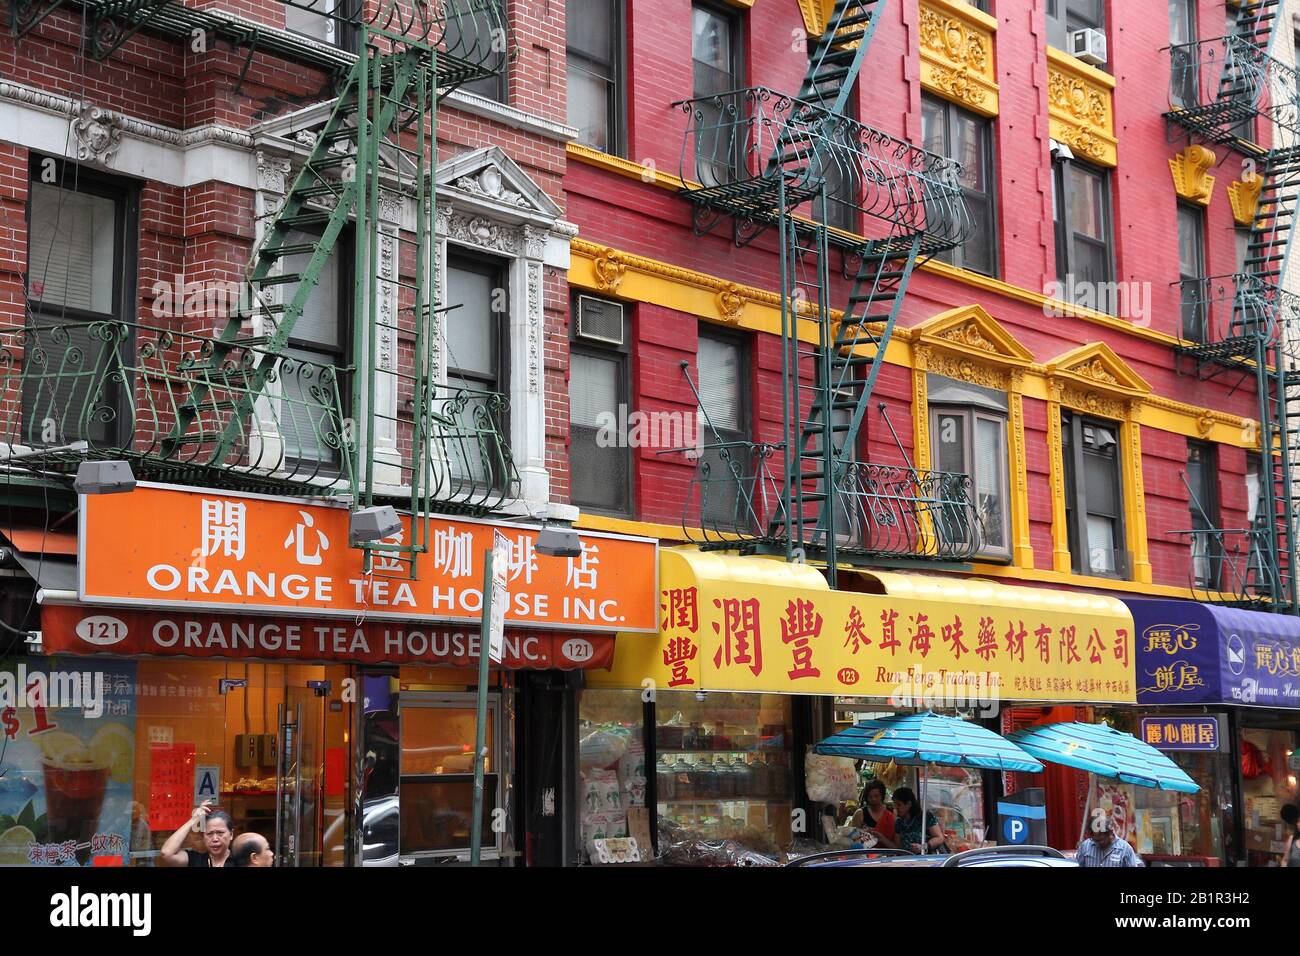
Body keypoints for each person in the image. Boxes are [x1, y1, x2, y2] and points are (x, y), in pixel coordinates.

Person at [158, 801, 234, 867]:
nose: (215, 839)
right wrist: (193, 819)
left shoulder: (239, 860)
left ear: (231, 834)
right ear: (203, 836)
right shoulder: (196, 860)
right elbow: (166, 853)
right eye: (209, 834)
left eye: (220, 833)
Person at [1076, 812, 1144, 867]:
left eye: (1101, 840)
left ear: (1110, 833)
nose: (1098, 843)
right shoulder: (1085, 846)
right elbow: (1078, 864)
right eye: (1095, 840)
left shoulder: (1125, 849)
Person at [892, 786, 945, 854]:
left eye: (899, 804)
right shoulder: (899, 823)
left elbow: (939, 838)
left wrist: (923, 847)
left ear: (908, 804)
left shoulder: (925, 817)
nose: (896, 807)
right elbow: (898, 847)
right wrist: (883, 838)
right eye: (894, 804)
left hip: (925, 858)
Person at [850, 779, 898, 849]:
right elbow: (853, 841)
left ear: (882, 795)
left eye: (876, 796)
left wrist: (883, 839)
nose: (873, 799)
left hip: (889, 855)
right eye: (870, 797)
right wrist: (864, 835)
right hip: (868, 856)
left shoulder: (893, 813)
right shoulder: (860, 814)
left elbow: (897, 843)